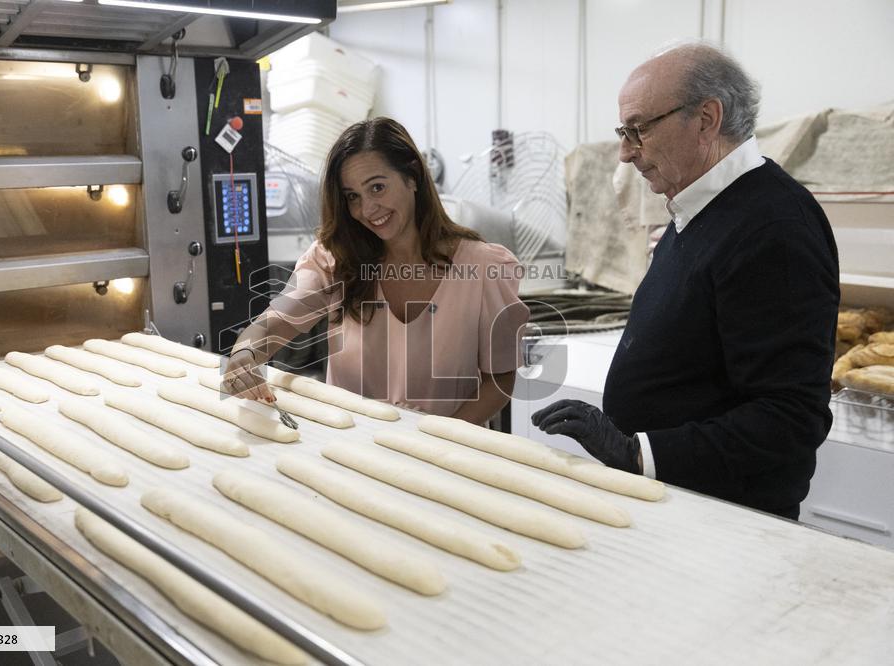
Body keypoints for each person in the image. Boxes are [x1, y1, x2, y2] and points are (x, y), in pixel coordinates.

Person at [532, 43, 839, 519]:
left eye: (639, 130)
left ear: (706, 119)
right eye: (623, 133)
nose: (625, 153)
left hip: (725, 519)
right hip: (676, 502)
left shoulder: (774, 227)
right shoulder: (698, 212)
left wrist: (639, 453)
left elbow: (790, 417)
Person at [224, 117, 529, 424]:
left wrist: (442, 437)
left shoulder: (483, 268)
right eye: (352, 197)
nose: (367, 209)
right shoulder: (334, 261)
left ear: (412, 176)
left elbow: (500, 380)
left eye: (377, 188)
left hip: (446, 448)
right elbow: (272, 325)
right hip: (349, 444)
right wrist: (244, 356)